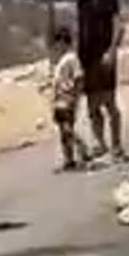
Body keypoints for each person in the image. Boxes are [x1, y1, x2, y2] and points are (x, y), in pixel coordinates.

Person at [76, 0, 125, 161]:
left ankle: (117, 144)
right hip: (86, 58)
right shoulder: (82, 0)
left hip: (104, 56)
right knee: (92, 105)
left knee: (110, 103)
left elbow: (117, 25)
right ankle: (100, 143)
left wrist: (112, 50)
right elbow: (79, 29)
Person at [48, 28, 88, 171]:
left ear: (62, 42)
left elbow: (79, 78)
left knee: (67, 129)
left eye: (57, 43)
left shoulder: (71, 58)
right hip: (59, 98)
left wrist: (75, 97)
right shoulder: (61, 60)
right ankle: (69, 160)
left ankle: (82, 148)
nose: (56, 47)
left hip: (67, 98)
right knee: (63, 132)